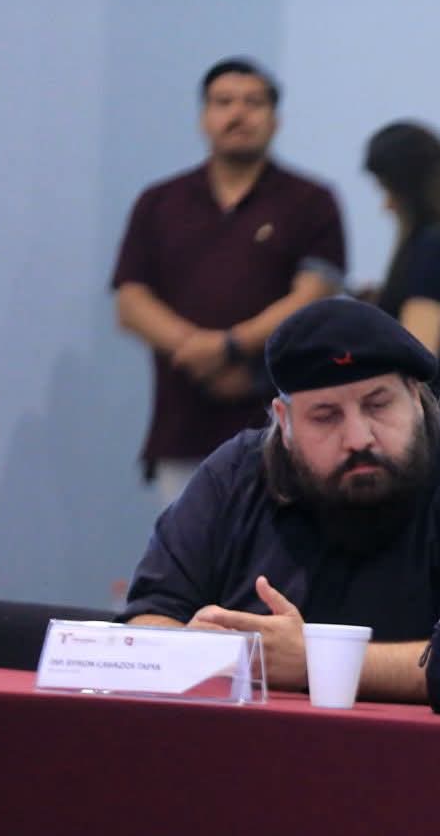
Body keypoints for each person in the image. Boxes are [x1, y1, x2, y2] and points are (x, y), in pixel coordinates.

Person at [122, 298, 440, 703]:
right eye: (325, 416)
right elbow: (147, 620)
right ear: (284, 421)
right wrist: (202, 652)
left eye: (378, 405)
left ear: (416, 397)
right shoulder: (234, 477)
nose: (358, 438)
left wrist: (314, 662)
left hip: (432, 761)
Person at [113, 57, 347, 505]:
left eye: (253, 102)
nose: (238, 114)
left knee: (281, 548)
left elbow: (313, 296)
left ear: (275, 119)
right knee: (188, 546)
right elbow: (131, 301)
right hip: (182, 426)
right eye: (223, 102)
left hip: (284, 430)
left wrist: (231, 346)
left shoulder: (311, 202)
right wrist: (196, 349)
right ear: (204, 117)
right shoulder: (160, 202)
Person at [364, 121, 440, 421]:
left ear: (408, 190)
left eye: (387, 190)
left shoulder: (436, 249)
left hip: (426, 430)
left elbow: (415, 356)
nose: (385, 206)